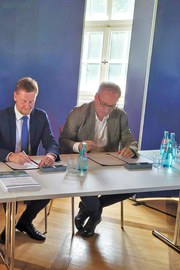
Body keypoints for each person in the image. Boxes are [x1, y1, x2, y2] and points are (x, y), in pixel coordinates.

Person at [0, 77, 60, 244]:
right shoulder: (0, 116)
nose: (27, 106)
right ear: (15, 96)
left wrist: (50, 155)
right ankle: (10, 225)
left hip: (32, 167)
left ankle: (25, 222)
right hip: (6, 167)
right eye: (23, 101)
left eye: (31, 102)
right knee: (11, 196)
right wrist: (10, 155)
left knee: (49, 189)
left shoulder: (41, 116)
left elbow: (51, 142)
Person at [59, 81, 138, 238]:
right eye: (103, 104)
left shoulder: (120, 115)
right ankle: (94, 217)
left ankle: (87, 209)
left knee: (133, 187)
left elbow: (130, 140)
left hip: (107, 165)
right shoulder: (78, 113)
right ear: (96, 97)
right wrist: (78, 146)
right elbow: (63, 140)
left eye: (112, 106)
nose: (107, 110)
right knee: (89, 190)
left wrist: (130, 149)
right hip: (82, 165)